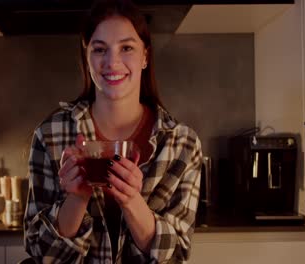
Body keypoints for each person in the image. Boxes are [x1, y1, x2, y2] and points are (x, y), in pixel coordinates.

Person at [23, 0, 202, 263]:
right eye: (99, 49)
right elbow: (41, 253)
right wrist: (77, 197)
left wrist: (132, 201)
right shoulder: (49, 135)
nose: (112, 62)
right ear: (87, 57)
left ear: (145, 56)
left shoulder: (182, 143)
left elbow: (175, 256)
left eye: (126, 47)